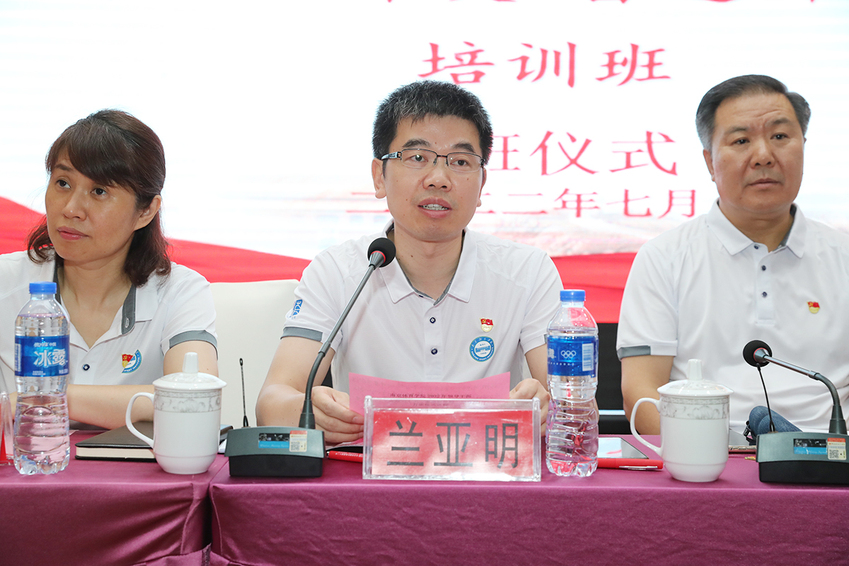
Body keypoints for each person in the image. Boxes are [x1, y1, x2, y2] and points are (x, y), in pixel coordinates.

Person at [256, 81, 561, 443]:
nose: (439, 179)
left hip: (488, 471)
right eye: (417, 158)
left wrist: (549, 407)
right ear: (379, 176)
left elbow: (575, 407)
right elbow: (272, 403)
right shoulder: (337, 271)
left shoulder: (528, 272)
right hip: (367, 475)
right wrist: (310, 410)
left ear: (481, 184)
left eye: (460, 162)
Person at [618, 74, 849, 434]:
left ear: (803, 146)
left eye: (780, 137)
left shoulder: (842, 257)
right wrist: (703, 459)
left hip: (832, 456)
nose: (764, 156)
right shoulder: (664, 258)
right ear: (710, 162)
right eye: (741, 140)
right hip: (706, 458)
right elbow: (641, 394)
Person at [0, 110, 218, 429]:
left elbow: (195, 398)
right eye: (62, 183)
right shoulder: (6, 281)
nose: (71, 209)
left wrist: (48, 398)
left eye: (99, 191)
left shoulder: (181, 291)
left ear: (146, 211)